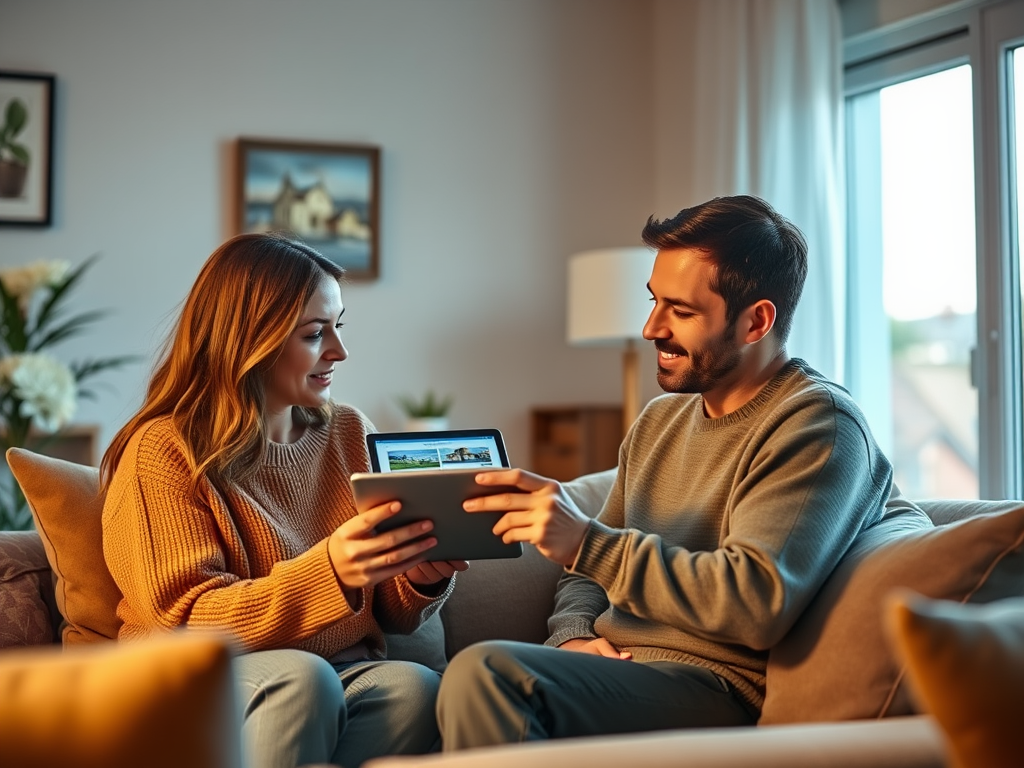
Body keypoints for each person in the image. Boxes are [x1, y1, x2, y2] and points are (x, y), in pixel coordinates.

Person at [436, 195, 896, 748]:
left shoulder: (817, 426)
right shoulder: (661, 418)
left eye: (680, 310)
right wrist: (573, 639)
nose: (651, 328)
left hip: (715, 688)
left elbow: (755, 603)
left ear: (757, 321)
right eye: (653, 301)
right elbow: (585, 577)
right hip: (616, 670)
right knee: (451, 681)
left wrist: (585, 541)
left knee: (487, 673)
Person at [100, 233, 468, 768]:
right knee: (302, 679)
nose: (339, 351)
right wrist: (331, 571)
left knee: (414, 687)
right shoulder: (164, 450)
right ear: (249, 340)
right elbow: (182, 622)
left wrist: (418, 576)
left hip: (334, 669)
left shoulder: (347, 431)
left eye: (338, 327)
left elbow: (389, 615)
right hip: (187, 679)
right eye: (315, 334)